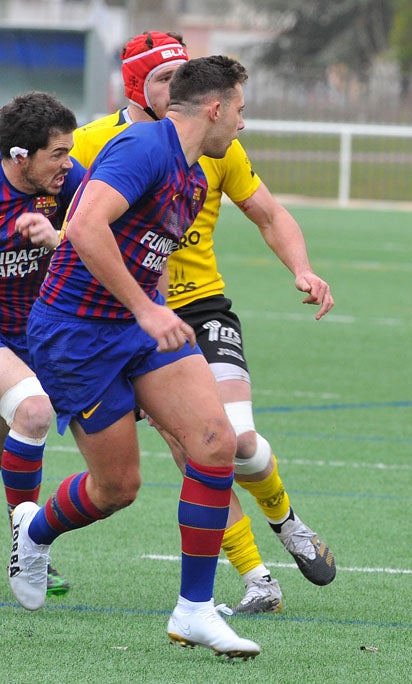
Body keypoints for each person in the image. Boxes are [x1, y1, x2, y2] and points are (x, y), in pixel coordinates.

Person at [72, 31, 336, 615]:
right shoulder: (97, 143)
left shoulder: (216, 144)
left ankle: (285, 520)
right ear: (137, 85)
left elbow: (267, 212)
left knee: (239, 441)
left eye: (181, 76)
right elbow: (58, 210)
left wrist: (303, 268)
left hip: (201, 308)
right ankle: (257, 580)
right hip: (125, 316)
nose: (175, 88)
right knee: (196, 449)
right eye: (162, 78)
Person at [10, 55, 260, 659]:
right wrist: (147, 311)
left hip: (139, 328)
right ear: (216, 108)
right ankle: (33, 531)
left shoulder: (196, 175)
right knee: (117, 487)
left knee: (214, 442)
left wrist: (156, 312)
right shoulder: (142, 147)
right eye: (242, 111)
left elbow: (150, 252)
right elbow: (89, 225)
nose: (244, 126)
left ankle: (194, 610)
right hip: (75, 334)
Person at [0, 92, 86, 598]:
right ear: (19, 157)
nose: (68, 163)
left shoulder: (66, 185)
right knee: (32, 414)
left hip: (39, 335)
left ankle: (24, 546)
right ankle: (28, 548)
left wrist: (60, 233)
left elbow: (106, 230)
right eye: (57, 153)